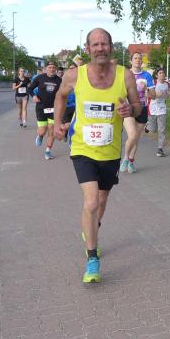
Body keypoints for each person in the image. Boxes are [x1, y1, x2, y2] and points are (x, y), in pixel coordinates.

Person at [54, 28, 141, 283]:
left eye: (104, 44)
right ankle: (92, 258)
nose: (100, 48)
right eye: (95, 44)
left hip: (110, 151)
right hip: (82, 148)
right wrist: (58, 123)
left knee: (101, 200)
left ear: (111, 47)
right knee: (91, 202)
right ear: (88, 48)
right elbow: (60, 96)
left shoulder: (125, 75)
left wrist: (130, 109)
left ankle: (91, 228)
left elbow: (138, 106)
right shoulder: (74, 75)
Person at [120, 52, 155, 173]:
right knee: (132, 135)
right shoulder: (125, 74)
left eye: (140, 58)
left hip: (142, 108)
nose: (138, 60)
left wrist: (146, 90)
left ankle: (131, 161)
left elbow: (153, 95)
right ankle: (125, 158)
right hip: (129, 108)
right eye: (135, 58)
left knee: (136, 138)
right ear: (131, 61)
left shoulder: (147, 76)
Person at [29, 60, 62, 160]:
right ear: (46, 68)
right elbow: (30, 89)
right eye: (49, 67)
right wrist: (34, 96)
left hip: (54, 109)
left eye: (53, 67)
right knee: (42, 131)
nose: (52, 69)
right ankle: (40, 136)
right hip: (41, 108)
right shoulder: (40, 78)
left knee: (51, 131)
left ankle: (48, 151)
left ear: (55, 69)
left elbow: (63, 94)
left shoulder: (59, 80)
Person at [146, 68, 170, 157]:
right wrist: (155, 95)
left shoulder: (167, 84)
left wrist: (167, 95)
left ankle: (160, 149)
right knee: (153, 130)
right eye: (160, 73)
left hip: (162, 109)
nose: (162, 74)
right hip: (152, 109)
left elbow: (168, 94)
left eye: (163, 73)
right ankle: (147, 126)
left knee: (162, 130)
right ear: (156, 75)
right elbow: (146, 94)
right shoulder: (153, 83)